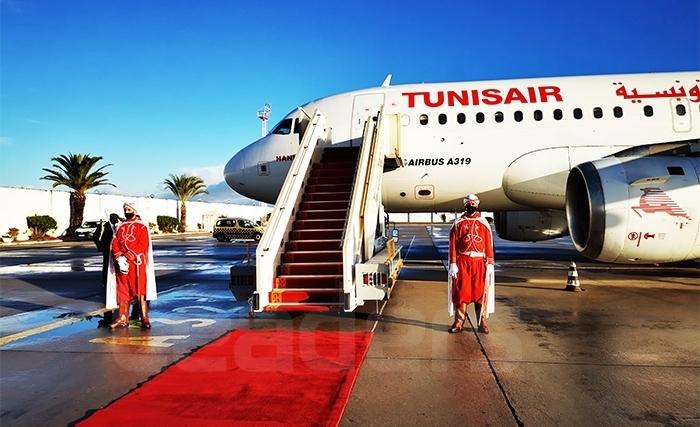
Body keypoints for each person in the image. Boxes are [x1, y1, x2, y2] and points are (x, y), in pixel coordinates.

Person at [447, 194, 495, 334]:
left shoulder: (483, 223)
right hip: (463, 263)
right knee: (462, 293)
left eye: (474, 203)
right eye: (469, 203)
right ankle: (459, 322)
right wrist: (453, 263)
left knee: (480, 293)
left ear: (477, 205)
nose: (471, 206)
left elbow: (488, 244)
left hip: (480, 263)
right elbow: (453, 245)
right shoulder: (458, 223)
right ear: (465, 205)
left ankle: (482, 323)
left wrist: (490, 263)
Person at [106, 202, 157, 329]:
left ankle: (144, 317)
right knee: (123, 290)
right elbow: (115, 241)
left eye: (128, 209)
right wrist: (118, 256)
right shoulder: (120, 226)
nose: (126, 211)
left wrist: (131, 255)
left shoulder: (142, 227)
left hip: (137, 264)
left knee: (140, 289)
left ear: (135, 211)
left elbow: (143, 244)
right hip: (122, 263)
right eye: (125, 209)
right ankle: (123, 317)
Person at [93, 213, 121, 326]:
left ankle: (115, 281)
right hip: (107, 251)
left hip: (116, 250)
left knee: (117, 267)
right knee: (106, 268)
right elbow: (95, 236)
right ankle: (105, 282)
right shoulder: (104, 225)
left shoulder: (119, 226)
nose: (114, 220)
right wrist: (101, 247)